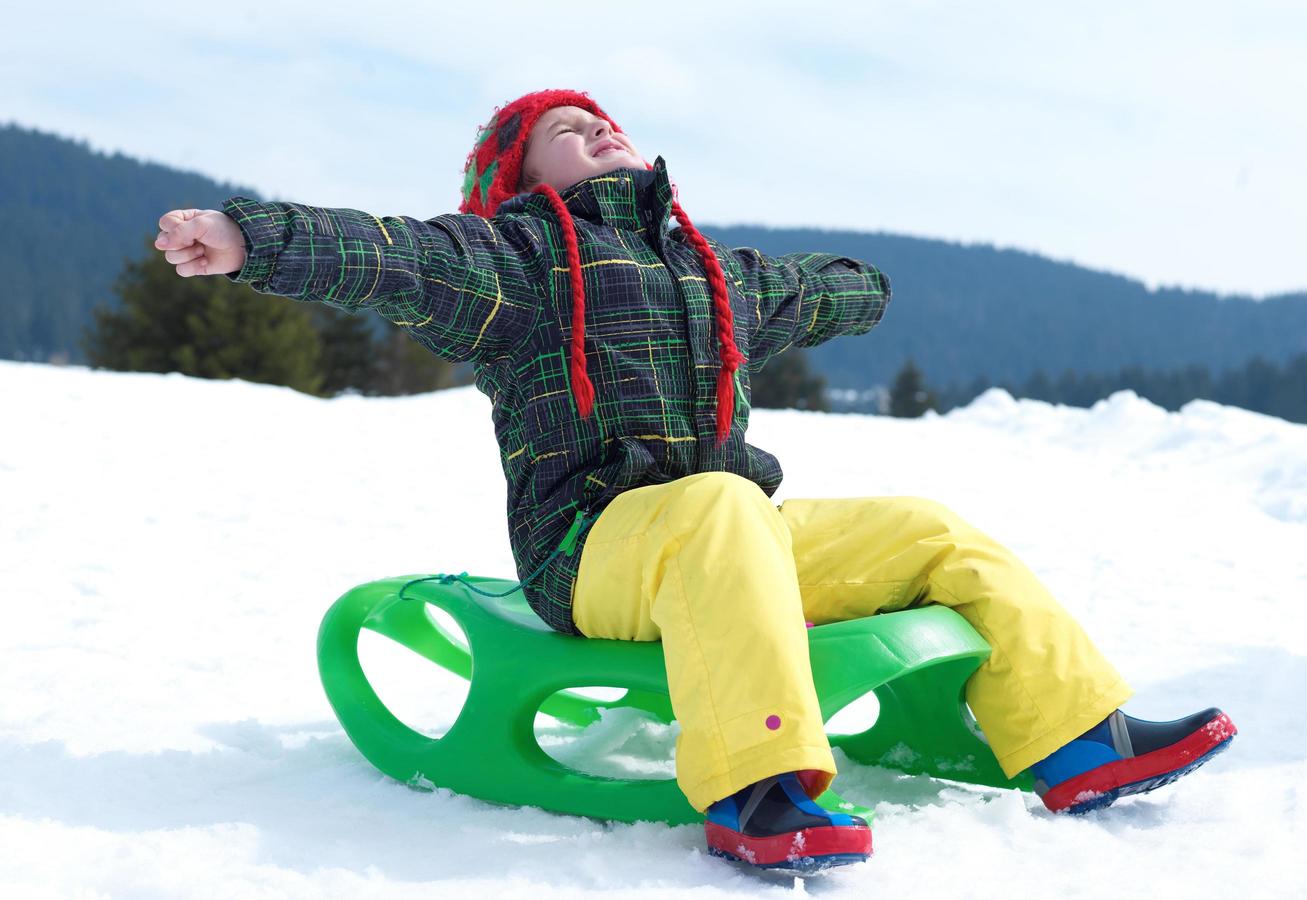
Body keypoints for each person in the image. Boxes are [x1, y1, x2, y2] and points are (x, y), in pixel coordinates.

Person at [155, 89, 1236, 871]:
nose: (599, 129)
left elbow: (822, 290)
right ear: (520, 179)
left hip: (725, 544)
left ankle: (1076, 737)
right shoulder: (508, 265)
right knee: (722, 506)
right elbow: (384, 252)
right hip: (593, 550)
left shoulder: (704, 270)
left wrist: (868, 288)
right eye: (565, 133)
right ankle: (754, 784)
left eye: (604, 118)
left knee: (922, 528)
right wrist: (249, 237)